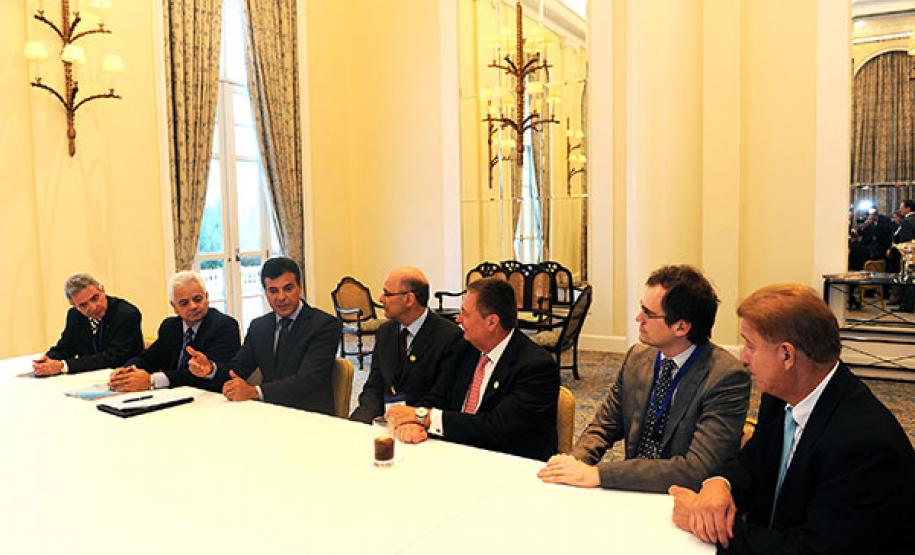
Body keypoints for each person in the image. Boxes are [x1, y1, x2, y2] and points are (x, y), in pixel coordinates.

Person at [669, 284, 914, 554]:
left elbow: (815, 549)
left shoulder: (863, 444)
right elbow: (751, 465)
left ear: (787, 355)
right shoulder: (780, 397)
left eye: (750, 346)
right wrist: (718, 484)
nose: (744, 358)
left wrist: (705, 526)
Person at [538, 265, 750, 493]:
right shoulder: (638, 357)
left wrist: (599, 474)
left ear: (681, 326)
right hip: (629, 489)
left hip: (680, 498)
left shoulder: (726, 377)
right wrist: (575, 463)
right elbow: (604, 425)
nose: (639, 318)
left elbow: (695, 469)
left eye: (648, 313)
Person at [386, 278, 559, 461]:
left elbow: (496, 428)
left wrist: (425, 418)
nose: (458, 319)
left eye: (465, 314)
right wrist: (417, 422)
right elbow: (439, 395)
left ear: (492, 322)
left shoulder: (536, 366)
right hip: (455, 453)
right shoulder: (464, 347)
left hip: (507, 464)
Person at [187, 257, 341, 414]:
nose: (281, 297)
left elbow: (308, 380)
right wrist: (210, 369)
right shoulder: (259, 327)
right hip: (267, 412)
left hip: (310, 417)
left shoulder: (325, 325)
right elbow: (238, 368)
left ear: (300, 287)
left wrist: (255, 392)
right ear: (265, 293)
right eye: (273, 291)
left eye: (288, 288)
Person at [349, 266, 464, 423]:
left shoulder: (449, 337)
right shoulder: (385, 331)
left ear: (409, 299)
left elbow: (440, 397)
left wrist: (408, 422)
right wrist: (358, 424)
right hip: (386, 425)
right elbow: (374, 387)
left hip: (421, 429)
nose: (381, 299)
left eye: (387, 294)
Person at [107, 271, 240, 392]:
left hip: (208, 397)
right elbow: (148, 358)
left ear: (207, 297)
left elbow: (204, 375)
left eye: (197, 299)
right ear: (174, 306)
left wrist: (152, 380)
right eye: (184, 303)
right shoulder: (170, 326)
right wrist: (127, 371)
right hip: (172, 396)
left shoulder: (225, 326)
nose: (193, 306)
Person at [33, 273, 143, 376]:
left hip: (123, 375)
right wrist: (47, 360)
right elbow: (66, 347)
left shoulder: (126, 314)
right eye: (83, 305)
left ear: (102, 290)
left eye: (95, 298)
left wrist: (64, 366)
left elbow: (113, 358)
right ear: (75, 306)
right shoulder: (75, 315)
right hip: (89, 377)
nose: (93, 307)